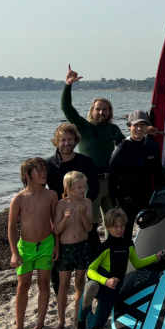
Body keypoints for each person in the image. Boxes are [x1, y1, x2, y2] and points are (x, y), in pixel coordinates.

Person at [76, 208, 165, 329]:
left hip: (112, 290)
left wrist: (156, 257)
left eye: (122, 226)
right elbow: (90, 271)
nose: (119, 229)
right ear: (108, 227)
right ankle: (80, 323)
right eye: (115, 226)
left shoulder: (128, 244)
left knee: (95, 325)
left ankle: (86, 311)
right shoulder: (105, 247)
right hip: (101, 284)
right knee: (90, 286)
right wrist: (106, 281)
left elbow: (137, 263)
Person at [61, 65, 124, 222]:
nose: (102, 112)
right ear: (92, 110)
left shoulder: (113, 129)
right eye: (98, 109)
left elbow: (126, 147)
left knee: (114, 220)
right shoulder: (85, 127)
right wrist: (68, 85)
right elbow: (67, 109)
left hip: (109, 182)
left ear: (109, 112)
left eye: (105, 109)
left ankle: (112, 246)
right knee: (90, 222)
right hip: (89, 182)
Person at [45, 123, 100, 294]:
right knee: (56, 257)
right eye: (62, 140)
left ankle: (94, 288)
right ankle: (58, 290)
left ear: (76, 141)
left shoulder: (86, 162)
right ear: (56, 142)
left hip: (82, 215)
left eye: (70, 140)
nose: (67, 143)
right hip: (60, 217)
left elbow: (95, 188)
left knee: (94, 252)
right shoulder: (48, 165)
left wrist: (83, 206)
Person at [7, 157, 58, 329]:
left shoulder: (51, 195)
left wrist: (56, 245)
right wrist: (14, 253)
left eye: (44, 169)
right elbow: (12, 227)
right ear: (28, 175)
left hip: (46, 244)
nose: (44, 173)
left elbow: (55, 222)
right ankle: (19, 325)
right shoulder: (19, 199)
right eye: (39, 170)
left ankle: (40, 323)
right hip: (25, 247)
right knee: (23, 285)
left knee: (44, 284)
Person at [108, 110, 163, 240]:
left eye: (142, 125)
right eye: (135, 125)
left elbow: (158, 171)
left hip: (146, 196)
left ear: (147, 127)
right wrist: (114, 203)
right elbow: (112, 178)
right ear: (129, 126)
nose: (139, 128)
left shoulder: (152, 146)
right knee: (124, 234)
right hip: (126, 199)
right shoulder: (121, 149)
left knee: (150, 229)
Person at [53, 171, 93, 329]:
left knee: (79, 283)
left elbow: (89, 228)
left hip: (82, 246)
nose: (82, 191)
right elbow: (56, 230)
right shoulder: (61, 204)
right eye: (78, 188)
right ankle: (61, 320)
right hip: (66, 249)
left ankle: (77, 317)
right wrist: (65, 219)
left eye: (84, 187)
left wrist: (83, 215)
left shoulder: (87, 203)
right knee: (63, 285)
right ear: (68, 188)